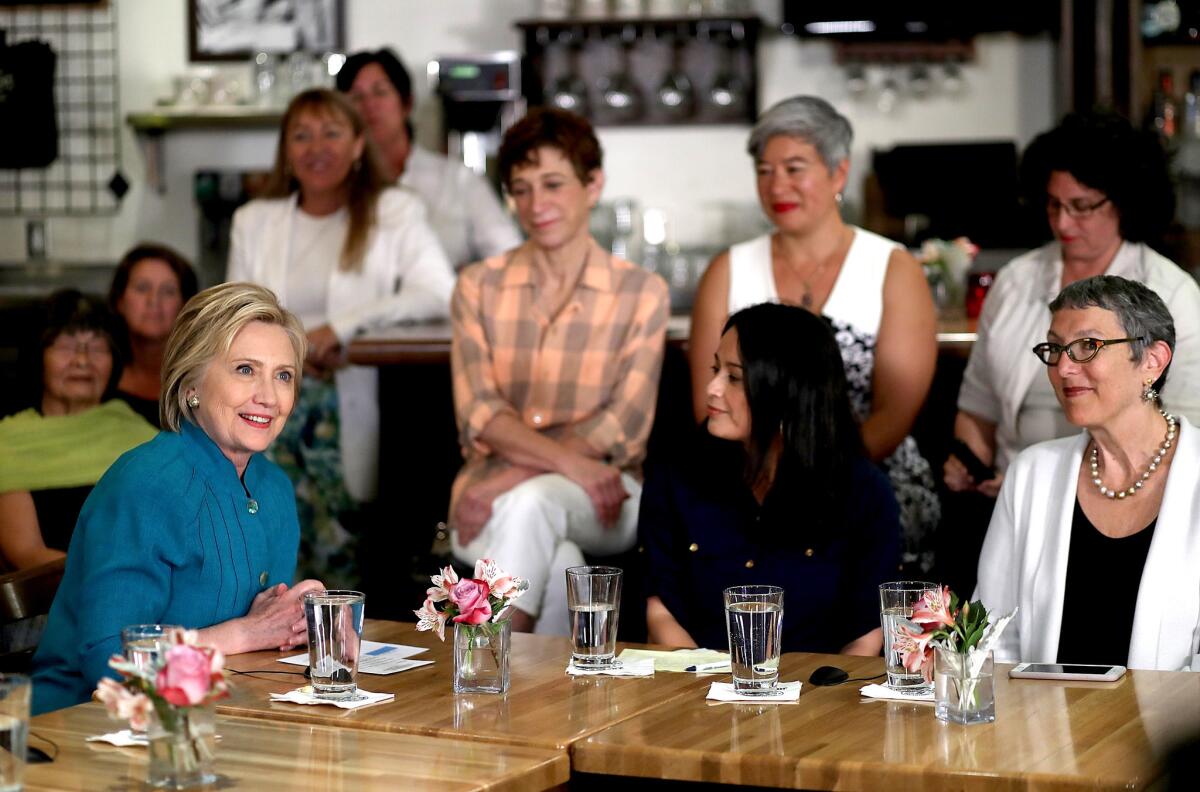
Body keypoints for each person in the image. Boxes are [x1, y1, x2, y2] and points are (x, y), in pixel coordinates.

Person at [32, 282, 325, 714]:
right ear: (192, 383)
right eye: (245, 369)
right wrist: (245, 633)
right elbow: (111, 662)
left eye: (283, 375)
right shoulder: (146, 484)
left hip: (216, 721)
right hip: (86, 728)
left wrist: (306, 630)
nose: (268, 395)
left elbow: (266, 643)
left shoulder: (275, 488)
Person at [943, 110, 1200, 595]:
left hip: (1131, 505)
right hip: (1013, 500)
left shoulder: (1172, 292)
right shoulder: (1017, 281)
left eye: (1082, 207)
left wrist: (1057, 483)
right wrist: (973, 467)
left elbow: (1186, 434)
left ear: (1123, 202)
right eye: (1054, 205)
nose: (1064, 222)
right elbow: (977, 408)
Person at [688, 95, 939, 571]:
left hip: (867, 473)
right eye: (764, 170)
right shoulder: (728, 269)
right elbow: (707, 404)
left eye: (794, 167)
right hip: (743, 479)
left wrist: (814, 481)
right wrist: (765, 483)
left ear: (838, 173)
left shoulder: (893, 267)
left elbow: (894, 412)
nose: (776, 184)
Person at [449, 107, 669, 634]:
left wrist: (521, 469)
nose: (535, 204)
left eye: (552, 184)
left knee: (532, 504)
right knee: (558, 557)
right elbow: (480, 412)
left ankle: (481, 659)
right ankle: (541, 707)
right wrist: (566, 463)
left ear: (593, 185)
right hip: (491, 496)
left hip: (604, 493)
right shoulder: (478, 285)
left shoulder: (641, 292)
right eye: (521, 188)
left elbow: (622, 427)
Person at [228, 88, 455, 587]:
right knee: (266, 541)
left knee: (344, 553)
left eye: (332, 133)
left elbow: (439, 292)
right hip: (268, 401)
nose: (316, 147)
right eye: (302, 136)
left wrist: (343, 328)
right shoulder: (254, 220)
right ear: (286, 150)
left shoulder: (392, 210)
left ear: (358, 144)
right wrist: (292, 347)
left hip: (346, 402)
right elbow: (236, 315)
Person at [641, 303, 901, 654]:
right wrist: (702, 687)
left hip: (818, 696)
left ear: (786, 393)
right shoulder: (676, 474)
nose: (712, 389)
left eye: (733, 377)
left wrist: (821, 703)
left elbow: (866, 636)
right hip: (695, 688)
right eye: (715, 370)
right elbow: (661, 613)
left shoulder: (862, 491)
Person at [975, 275, 1200, 671]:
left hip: (1172, 730)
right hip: (1042, 726)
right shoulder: (1031, 473)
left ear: (1152, 360)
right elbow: (992, 636)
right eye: (1055, 348)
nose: (1062, 368)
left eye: (1087, 346)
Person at [0, 291, 156, 571]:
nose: (82, 361)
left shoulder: (142, 437)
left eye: (97, 348)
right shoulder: (8, 443)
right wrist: (110, 577)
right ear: (39, 357)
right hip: (50, 604)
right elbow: (26, 554)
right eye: (66, 346)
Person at [337, 48, 523, 268]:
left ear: (406, 103)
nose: (369, 106)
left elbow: (509, 255)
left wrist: (470, 280)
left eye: (380, 92)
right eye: (356, 97)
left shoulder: (457, 180)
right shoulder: (334, 186)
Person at [108, 242, 199, 427]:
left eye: (168, 291)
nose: (154, 300)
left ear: (185, 305)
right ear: (120, 300)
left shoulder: (203, 378)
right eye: (142, 288)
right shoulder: (99, 375)